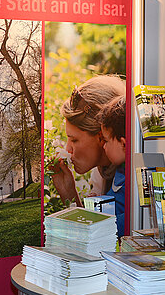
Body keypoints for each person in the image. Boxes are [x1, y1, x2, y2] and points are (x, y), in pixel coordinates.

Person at [50, 75, 125, 208]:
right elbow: (95, 227)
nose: (68, 149)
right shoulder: (100, 174)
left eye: (74, 140)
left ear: (102, 134)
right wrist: (69, 194)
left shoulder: (128, 178)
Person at [97, 95, 126, 236]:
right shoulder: (120, 171)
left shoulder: (133, 177)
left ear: (123, 144)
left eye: (107, 141)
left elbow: (128, 219)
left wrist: (106, 227)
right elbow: (113, 200)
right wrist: (98, 202)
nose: (104, 147)